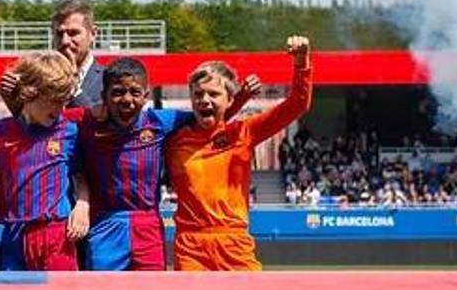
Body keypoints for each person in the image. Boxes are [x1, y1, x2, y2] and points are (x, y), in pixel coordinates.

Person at [77, 58, 258, 271]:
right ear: (103, 97)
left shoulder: (160, 122)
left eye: (135, 92)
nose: (126, 100)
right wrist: (82, 201)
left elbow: (208, 118)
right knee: (102, 289)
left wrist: (240, 98)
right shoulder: (87, 122)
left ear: (146, 96)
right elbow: (52, 119)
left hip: (148, 226)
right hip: (106, 224)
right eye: (117, 92)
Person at [166, 36, 313, 271]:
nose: (204, 100)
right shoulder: (174, 138)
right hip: (190, 247)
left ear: (229, 100)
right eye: (198, 94)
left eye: (213, 94)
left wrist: (301, 62)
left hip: (234, 244)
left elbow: (297, 104)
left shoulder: (243, 132)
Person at [0, 51, 90, 271]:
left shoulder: (68, 131)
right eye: (54, 101)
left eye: (63, 101)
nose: (60, 109)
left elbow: (80, 174)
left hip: (55, 232)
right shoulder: (1, 131)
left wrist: (82, 204)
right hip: (13, 232)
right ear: (29, 93)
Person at [0, 0, 105, 112]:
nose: (65, 41)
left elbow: (99, 119)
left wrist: (72, 87)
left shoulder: (107, 79)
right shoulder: (40, 77)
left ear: (93, 33)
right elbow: (33, 122)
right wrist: (13, 101)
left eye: (73, 33)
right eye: (59, 34)